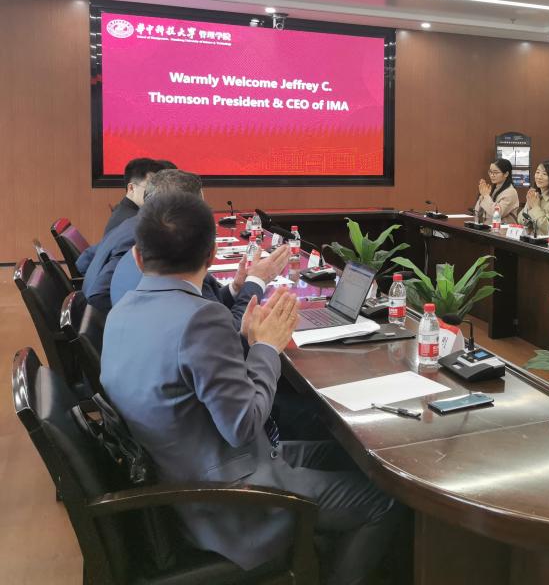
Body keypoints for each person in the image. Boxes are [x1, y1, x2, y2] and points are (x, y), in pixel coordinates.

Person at [101, 192, 405, 583]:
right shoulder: (201, 318)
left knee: (358, 459)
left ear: (138, 257)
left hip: (197, 469)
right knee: (386, 498)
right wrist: (266, 348)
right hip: (230, 499)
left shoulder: (120, 312)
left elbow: (187, 384)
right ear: (211, 254)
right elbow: (242, 425)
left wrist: (242, 341)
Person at [109, 170, 289, 326]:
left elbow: (207, 301)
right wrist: (257, 281)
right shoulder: (181, 264)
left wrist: (235, 288)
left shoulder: (142, 253)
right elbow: (230, 333)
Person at [82, 168, 204, 313]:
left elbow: (83, 260)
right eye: (201, 211)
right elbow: (98, 295)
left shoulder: (131, 222)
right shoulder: (140, 237)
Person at [76, 157, 175, 273]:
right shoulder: (132, 222)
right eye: (150, 188)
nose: (157, 194)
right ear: (131, 188)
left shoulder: (125, 212)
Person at [474, 158, 520, 225]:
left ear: (506, 174)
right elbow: (477, 211)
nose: (492, 175)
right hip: (488, 226)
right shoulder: (494, 188)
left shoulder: (510, 192)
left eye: (495, 172)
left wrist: (486, 196)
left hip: (503, 230)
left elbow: (497, 214)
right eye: (490, 172)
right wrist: (482, 195)